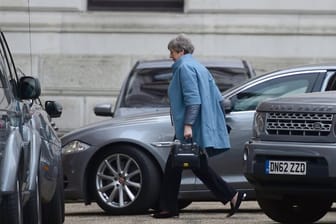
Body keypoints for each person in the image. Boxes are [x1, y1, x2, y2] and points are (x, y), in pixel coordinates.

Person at [151, 34, 246, 219]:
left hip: (189, 127)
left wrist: (188, 126)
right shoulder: (199, 67)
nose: (170, 56)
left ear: (181, 51)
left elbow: (193, 101)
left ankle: (170, 208)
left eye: (172, 52)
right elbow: (219, 98)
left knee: (185, 165)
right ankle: (170, 207)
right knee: (185, 166)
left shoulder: (185, 68)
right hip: (197, 124)